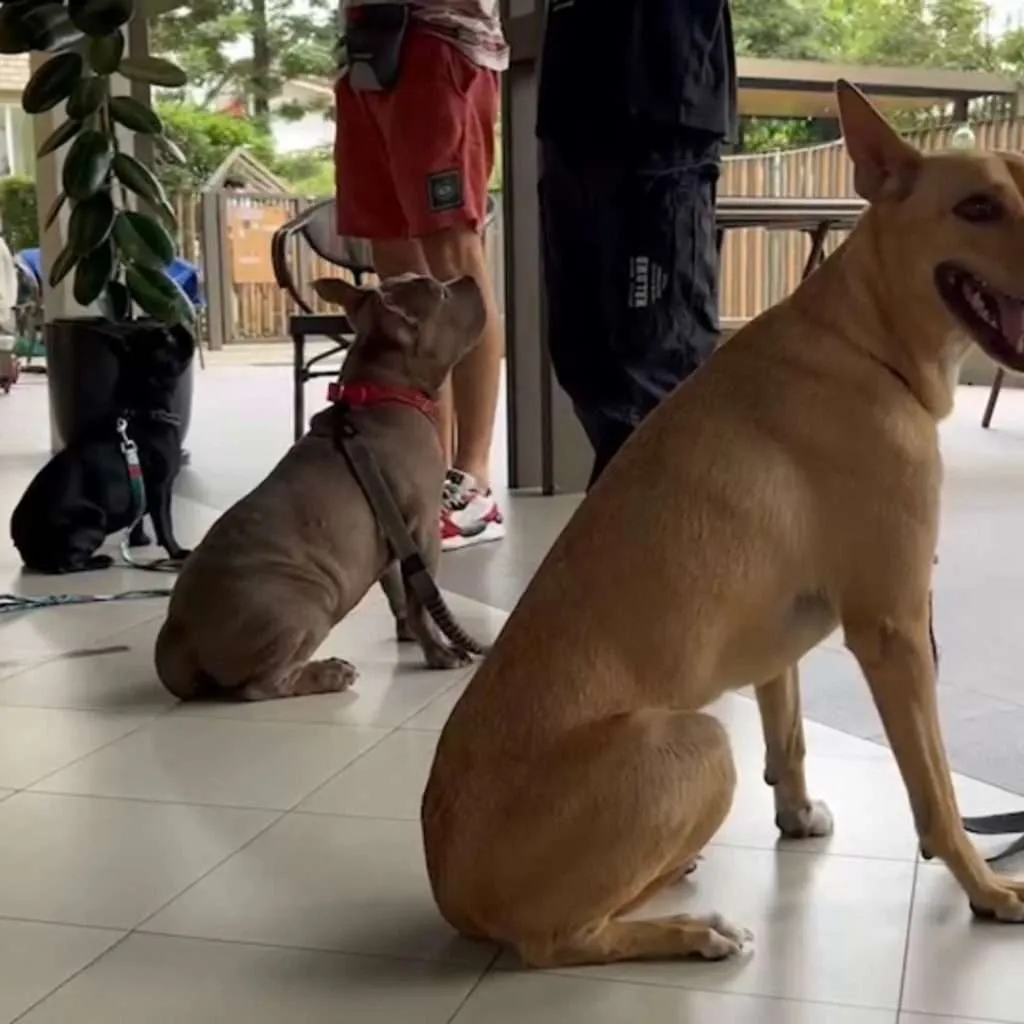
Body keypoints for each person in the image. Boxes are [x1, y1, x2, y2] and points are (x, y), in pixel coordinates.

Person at [536, 0, 738, 488]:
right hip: (572, 97)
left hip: (661, 90)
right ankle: (633, 520)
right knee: (586, 363)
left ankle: (663, 524)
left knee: (653, 370)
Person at [334, 0, 508, 549]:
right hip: (366, 46)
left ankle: (473, 480)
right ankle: (426, 475)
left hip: (438, 43)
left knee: (453, 267)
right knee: (399, 277)